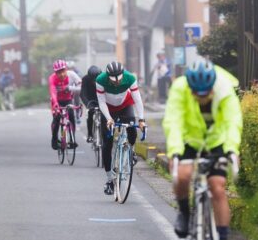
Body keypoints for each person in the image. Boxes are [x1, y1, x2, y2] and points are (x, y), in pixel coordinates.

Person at [163, 61, 242, 240]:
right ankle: (184, 212)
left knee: (218, 186)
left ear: (212, 87)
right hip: (189, 139)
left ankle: (222, 235)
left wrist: (232, 149)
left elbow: (233, 121)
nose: (201, 98)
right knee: (182, 175)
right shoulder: (179, 88)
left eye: (205, 94)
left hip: (216, 141)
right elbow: (173, 121)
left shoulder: (224, 88)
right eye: (196, 94)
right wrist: (174, 151)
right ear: (190, 88)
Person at [96, 61, 145, 195]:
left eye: (119, 79)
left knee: (132, 130)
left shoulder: (130, 78)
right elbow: (101, 102)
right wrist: (108, 118)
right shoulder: (100, 80)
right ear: (108, 76)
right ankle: (109, 180)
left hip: (125, 106)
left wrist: (141, 119)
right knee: (107, 142)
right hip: (108, 108)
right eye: (113, 80)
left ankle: (131, 151)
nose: (117, 82)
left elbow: (137, 99)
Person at [48, 59, 78, 150]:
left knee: (71, 115)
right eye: (58, 72)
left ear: (66, 69)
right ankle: (54, 140)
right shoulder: (52, 78)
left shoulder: (71, 75)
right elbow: (53, 92)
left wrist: (71, 88)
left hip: (68, 99)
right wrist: (55, 103)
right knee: (57, 118)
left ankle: (72, 139)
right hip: (56, 101)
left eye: (63, 71)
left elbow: (80, 85)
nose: (61, 74)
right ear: (55, 73)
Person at [81, 65, 101, 143]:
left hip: (101, 99)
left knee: (104, 116)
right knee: (90, 113)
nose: (94, 81)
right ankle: (90, 135)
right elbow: (82, 93)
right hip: (90, 100)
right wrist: (87, 104)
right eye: (92, 79)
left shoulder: (103, 78)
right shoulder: (85, 79)